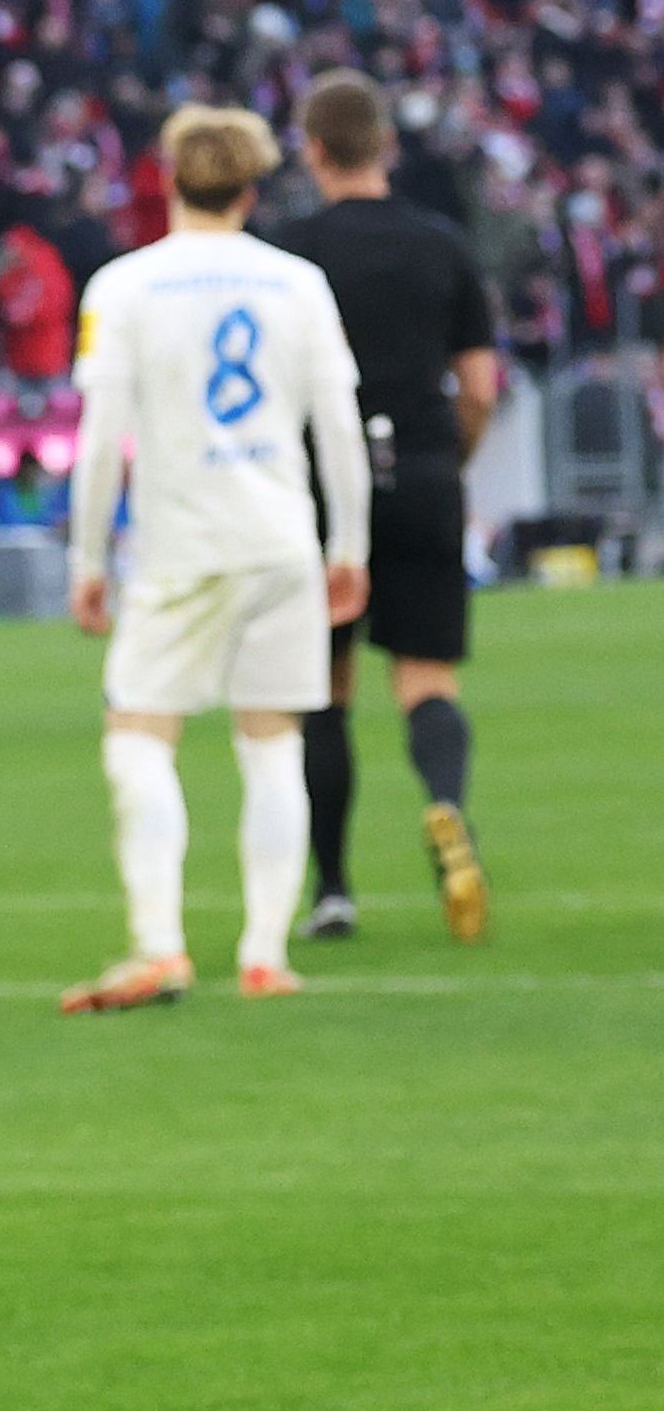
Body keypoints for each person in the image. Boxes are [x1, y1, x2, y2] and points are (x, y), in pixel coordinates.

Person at [60, 108, 368, 1013]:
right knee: (272, 741)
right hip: (280, 540)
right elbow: (339, 427)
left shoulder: (123, 286)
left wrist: (88, 557)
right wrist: (348, 544)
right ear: (251, 187)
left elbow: (99, 438)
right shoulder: (299, 283)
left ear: (165, 180)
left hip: (181, 546)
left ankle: (160, 943)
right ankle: (265, 954)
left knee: (139, 734)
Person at [264, 70, 501, 944]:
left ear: (313, 149)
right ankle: (446, 808)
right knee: (426, 679)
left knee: (323, 693)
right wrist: (451, 456)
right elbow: (479, 384)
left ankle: (332, 888)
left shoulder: (287, 254)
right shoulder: (442, 245)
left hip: (322, 492)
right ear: (386, 147)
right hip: (426, 473)